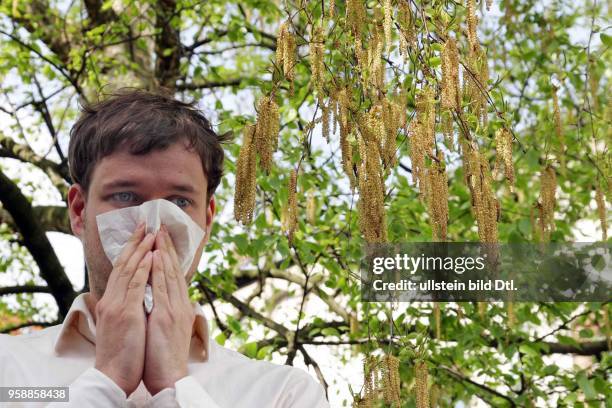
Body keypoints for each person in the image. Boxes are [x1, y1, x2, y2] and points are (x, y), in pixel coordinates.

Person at [0, 89, 329, 407]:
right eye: (126, 196)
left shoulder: (281, 394)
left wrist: (175, 387)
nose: (155, 225)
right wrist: (107, 379)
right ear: (79, 211)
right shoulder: (10, 372)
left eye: (179, 202)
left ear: (207, 220)